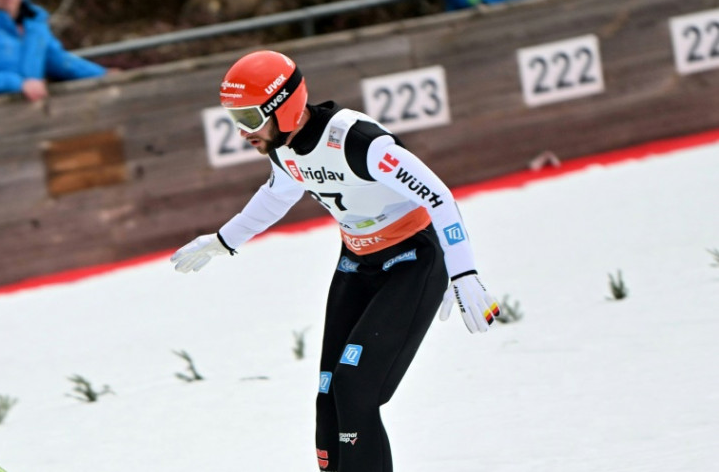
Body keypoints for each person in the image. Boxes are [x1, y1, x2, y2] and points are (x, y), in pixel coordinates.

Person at [170, 50, 500, 472]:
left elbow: (437, 196)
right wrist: (224, 240)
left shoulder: (357, 141)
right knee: (328, 401)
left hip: (413, 261)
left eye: (250, 119)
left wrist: (463, 270)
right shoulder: (284, 149)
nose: (242, 132)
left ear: (283, 107)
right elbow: (275, 195)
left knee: (355, 391)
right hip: (357, 265)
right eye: (233, 119)